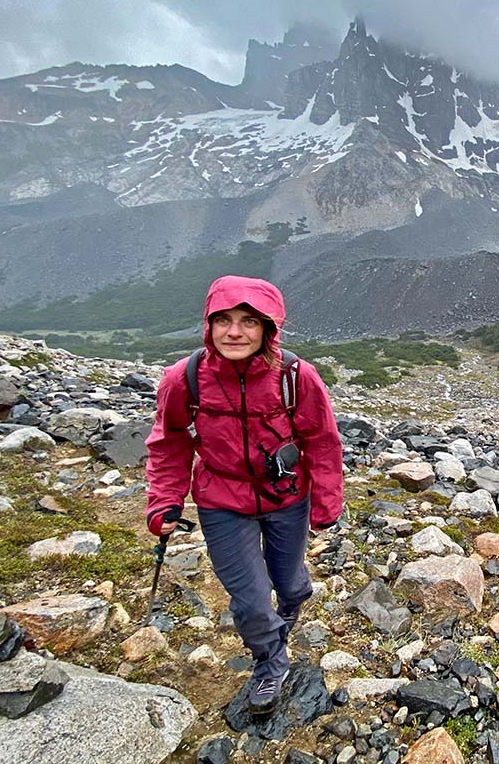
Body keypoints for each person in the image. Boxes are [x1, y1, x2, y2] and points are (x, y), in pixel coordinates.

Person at [144, 275, 343, 714]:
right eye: (224, 320)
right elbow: (169, 440)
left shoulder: (296, 377)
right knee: (251, 601)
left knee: (289, 583)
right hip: (221, 502)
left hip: (286, 497)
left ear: (269, 329)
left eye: (249, 321)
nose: (235, 332)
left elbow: (323, 441)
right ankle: (271, 663)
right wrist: (165, 498)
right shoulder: (186, 377)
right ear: (209, 325)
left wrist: (328, 504)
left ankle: (292, 602)